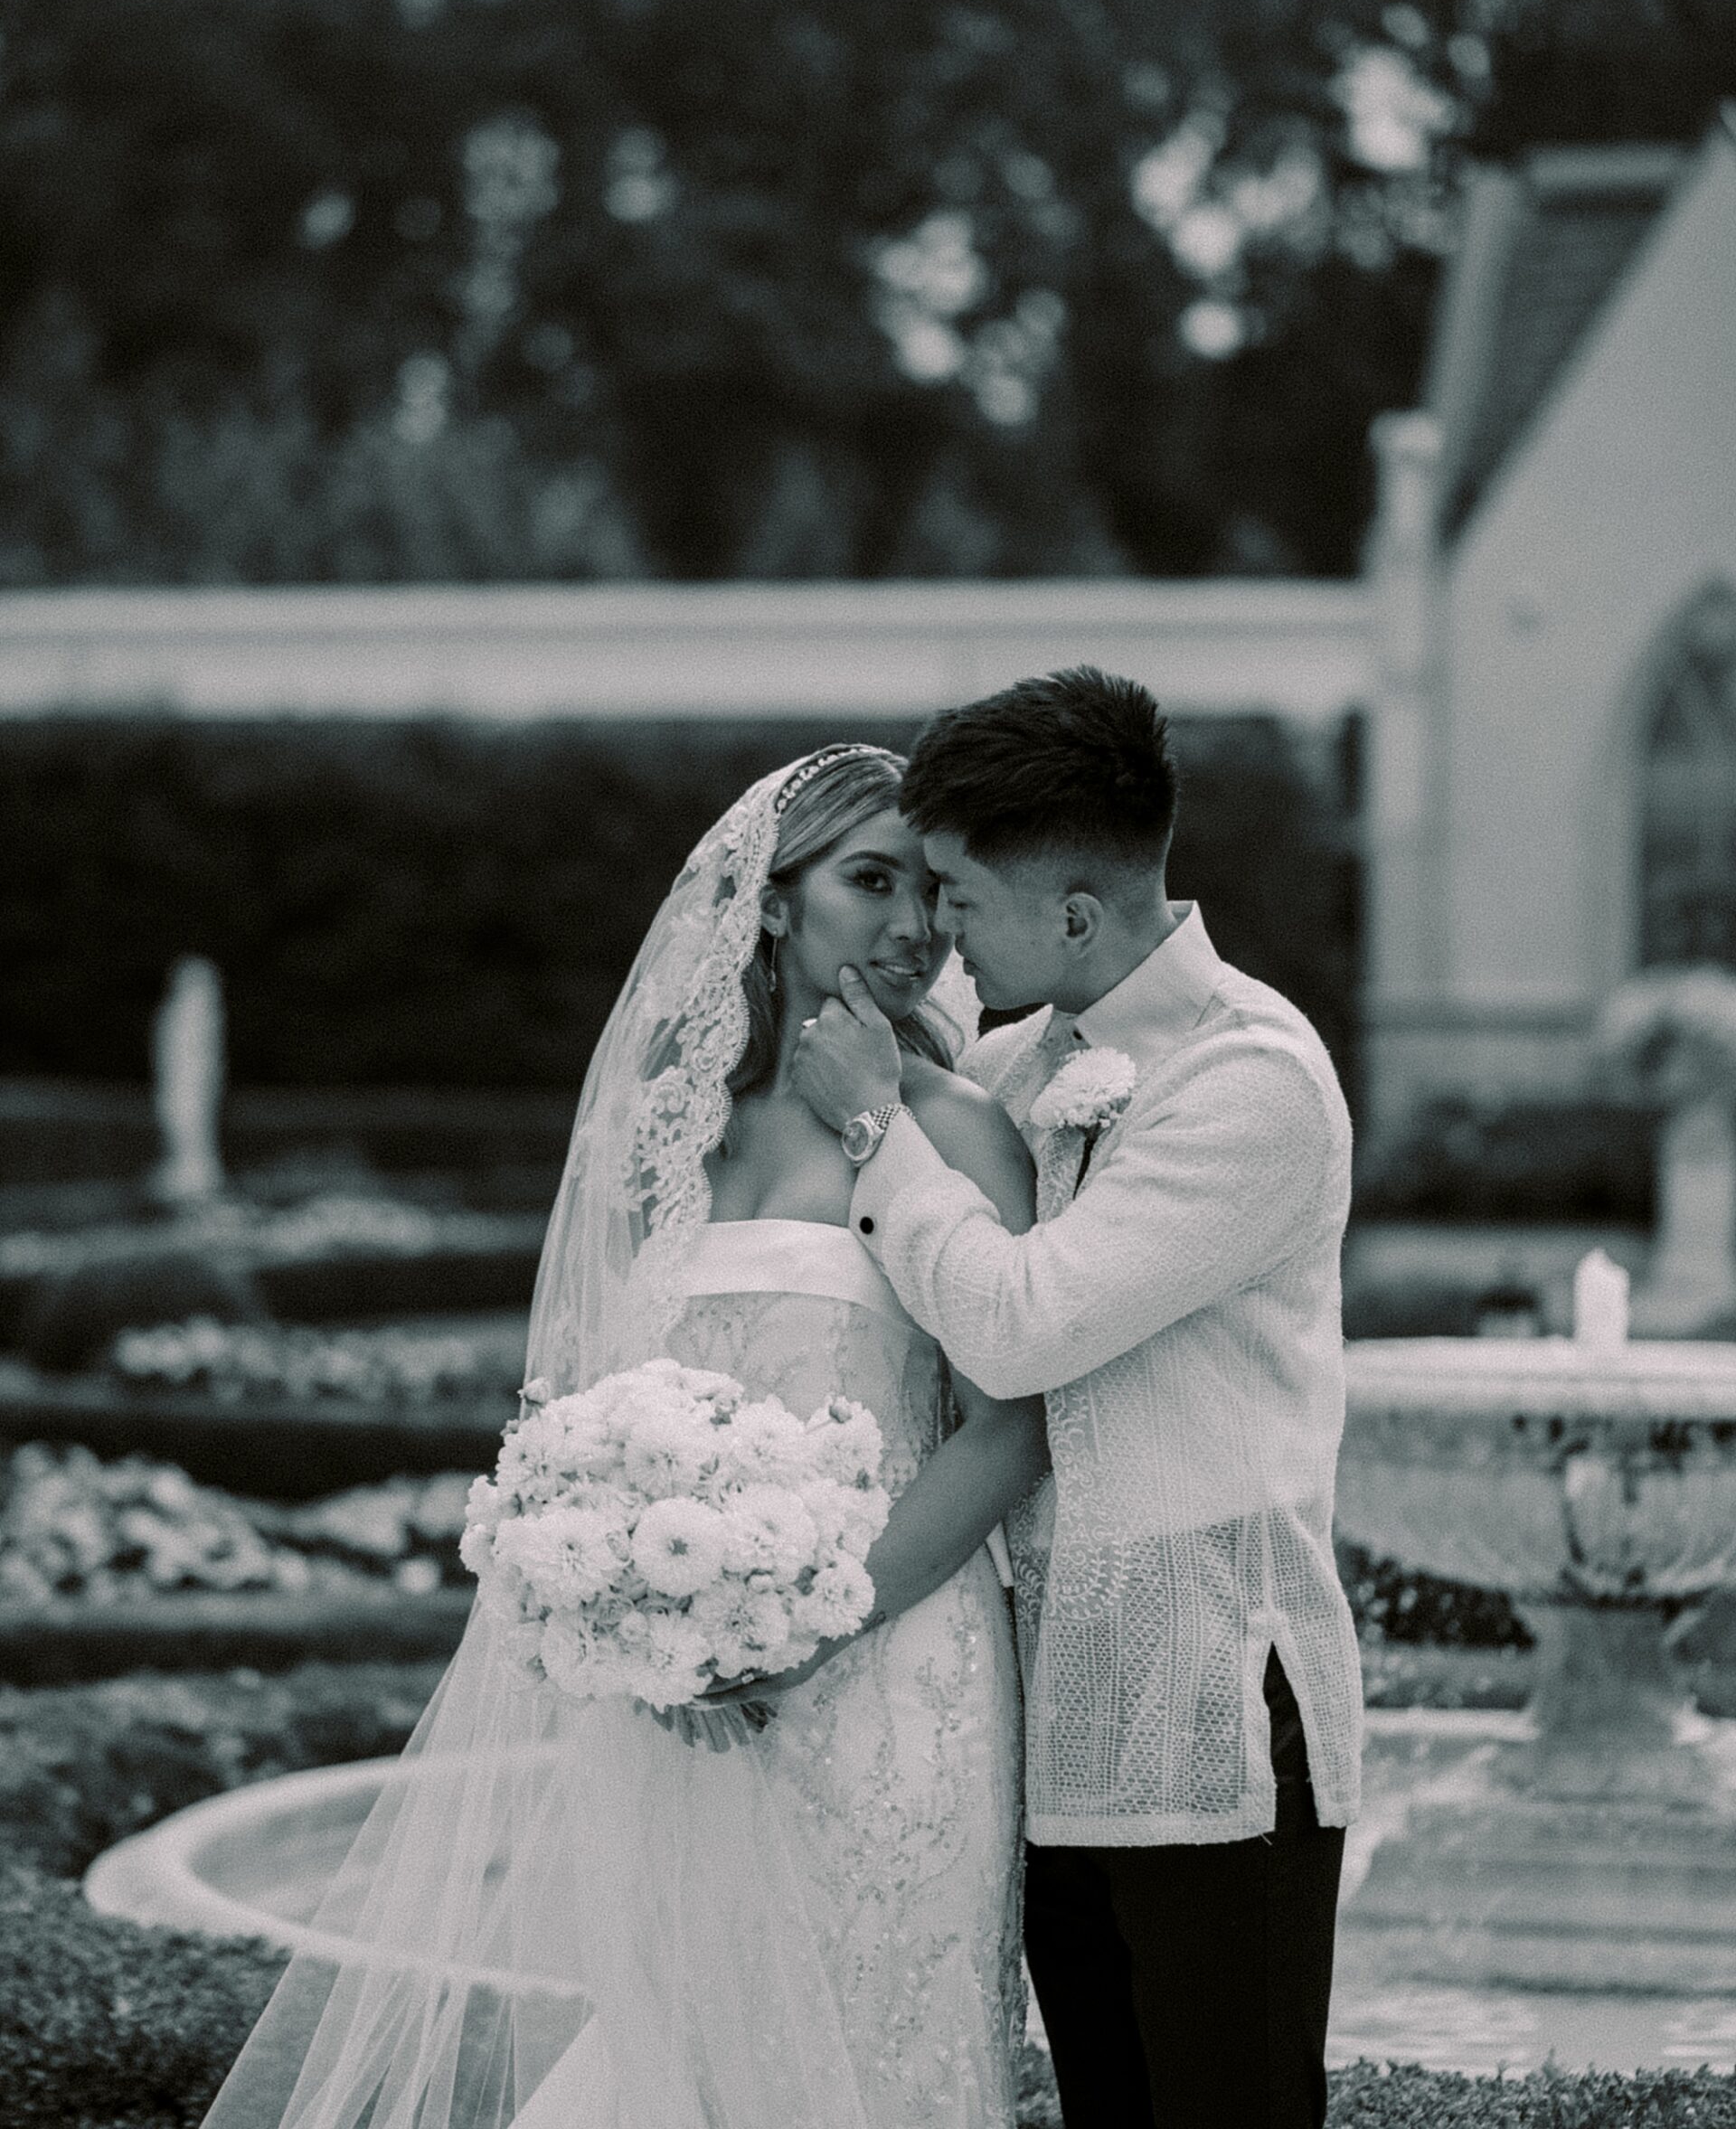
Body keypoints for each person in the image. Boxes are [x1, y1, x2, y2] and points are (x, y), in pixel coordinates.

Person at [200, 745, 1048, 2129]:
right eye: (869, 880)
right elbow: (582, 1412)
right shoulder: (670, 1136)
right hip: (681, 1700)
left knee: (881, 2049)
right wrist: (632, 1616)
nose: (914, 929)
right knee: (687, 2044)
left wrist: (810, 1635)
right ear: (772, 904)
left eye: (933, 893)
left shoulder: (960, 1131)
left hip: (898, 1680)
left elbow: (1012, 1430)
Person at [781, 668, 1364, 2129]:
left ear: (1081, 916)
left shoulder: (1253, 1081)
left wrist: (870, 1121)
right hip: (1050, 1725)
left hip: (1216, 1713)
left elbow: (1025, 1324)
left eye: (963, 902)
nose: (939, 938)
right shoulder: (1007, 1065)